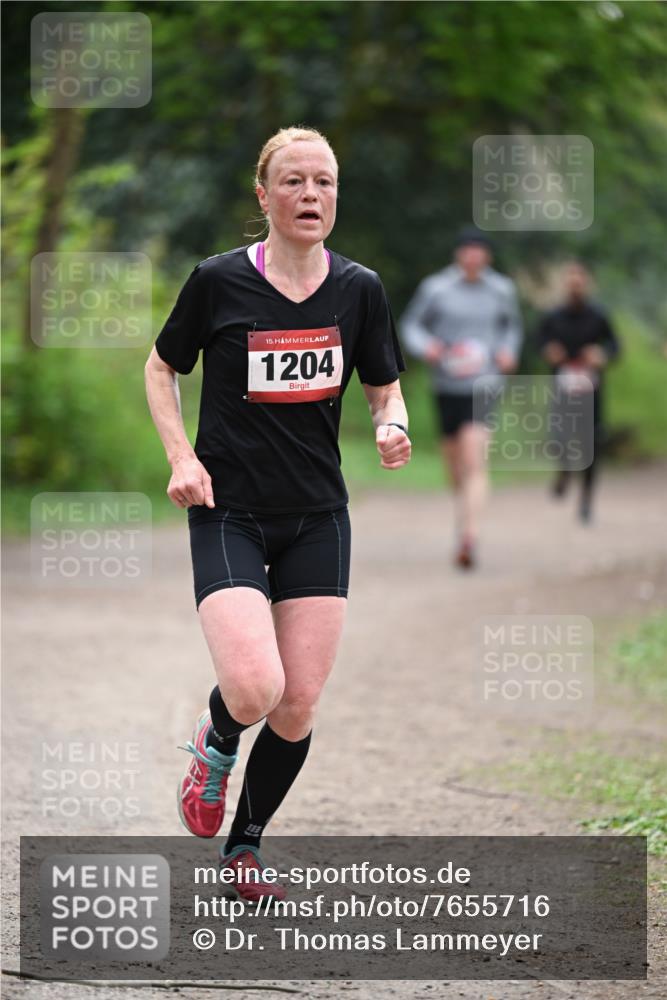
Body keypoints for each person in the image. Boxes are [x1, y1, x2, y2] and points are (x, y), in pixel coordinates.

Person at [144, 126, 410, 902]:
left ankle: (245, 849)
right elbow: (163, 368)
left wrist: (390, 422)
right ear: (263, 196)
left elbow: (383, 384)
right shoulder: (218, 281)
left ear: (336, 195)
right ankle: (216, 739)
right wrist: (180, 459)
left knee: (298, 701)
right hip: (228, 509)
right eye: (292, 182)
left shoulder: (358, 288)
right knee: (256, 687)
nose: (309, 196)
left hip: (317, 515)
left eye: (323, 183)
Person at [399, 226, 522, 568]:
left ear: (487, 256)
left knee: (474, 459)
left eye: (479, 251)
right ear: (458, 254)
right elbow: (411, 326)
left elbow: (511, 327)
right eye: (467, 250)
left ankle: (470, 535)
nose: (473, 256)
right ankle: (465, 512)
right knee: (454, 466)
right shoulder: (436, 288)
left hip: (485, 385)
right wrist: (430, 347)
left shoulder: (501, 289)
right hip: (446, 385)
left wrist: (508, 352)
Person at [536, 261, 620, 522]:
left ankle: (586, 500)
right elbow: (537, 339)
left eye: (579, 280)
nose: (575, 285)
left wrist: (602, 354)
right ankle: (564, 471)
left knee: (592, 443)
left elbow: (615, 345)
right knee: (560, 437)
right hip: (563, 388)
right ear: (565, 284)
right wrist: (548, 350)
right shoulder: (553, 316)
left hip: (591, 390)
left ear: (587, 284)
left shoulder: (598, 315)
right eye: (571, 280)